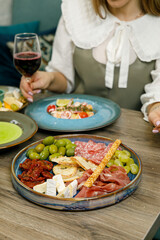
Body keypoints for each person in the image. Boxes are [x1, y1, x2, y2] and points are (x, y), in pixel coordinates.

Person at [20, 0, 160, 133]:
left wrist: (157, 110)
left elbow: (156, 96)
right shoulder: (76, 12)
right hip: (74, 128)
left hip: (134, 135)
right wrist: (48, 78)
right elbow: (64, 79)